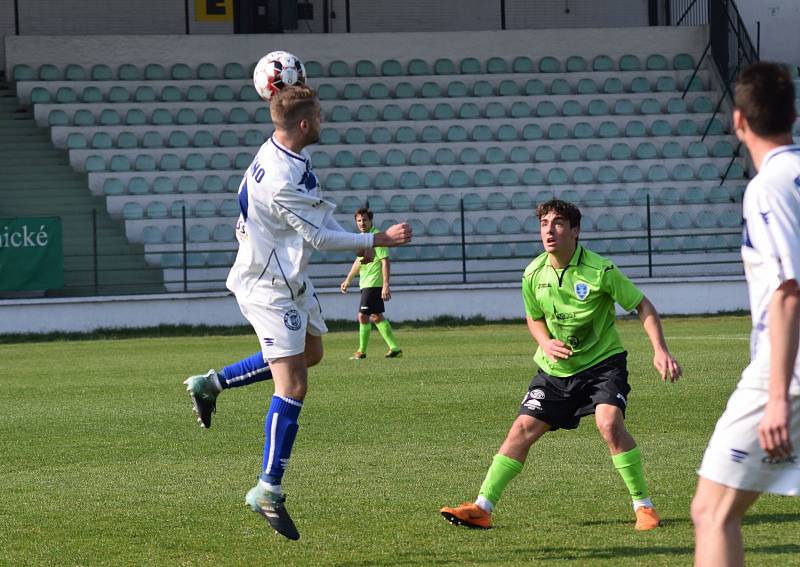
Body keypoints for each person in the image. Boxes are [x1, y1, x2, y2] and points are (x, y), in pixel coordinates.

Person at [182, 85, 412, 540]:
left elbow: (315, 222)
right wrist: (376, 239)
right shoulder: (283, 177)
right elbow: (319, 238)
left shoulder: (280, 150)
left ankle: (211, 384)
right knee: (294, 383)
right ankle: (267, 489)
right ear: (305, 124)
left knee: (310, 353)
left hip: (289, 278)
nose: (324, 119)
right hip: (269, 288)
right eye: (319, 114)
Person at [441, 199, 682, 531]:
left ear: (575, 230)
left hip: (602, 366)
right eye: (543, 224)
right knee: (520, 431)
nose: (548, 230)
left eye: (556, 223)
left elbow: (642, 305)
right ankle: (482, 508)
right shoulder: (533, 273)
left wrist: (660, 350)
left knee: (609, 424)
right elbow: (533, 316)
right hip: (555, 371)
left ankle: (644, 507)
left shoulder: (601, 270)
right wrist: (544, 341)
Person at [691, 62, 800, 567]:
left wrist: (777, 396)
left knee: (712, 511)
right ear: (793, 115)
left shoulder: (769, 186)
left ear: (738, 121)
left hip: (784, 374)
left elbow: (788, 291)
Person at [340, 207, 402, 359]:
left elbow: (385, 261)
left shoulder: (376, 237)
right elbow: (359, 262)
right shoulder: (363, 238)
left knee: (362, 315)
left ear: (371, 220)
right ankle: (394, 348)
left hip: (373, 283)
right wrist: (348, 279)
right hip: (366, 283)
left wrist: (386, 285)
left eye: (365, 220)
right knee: (376, 316)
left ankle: (361, 351)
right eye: (359, 220)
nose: (362, 223)